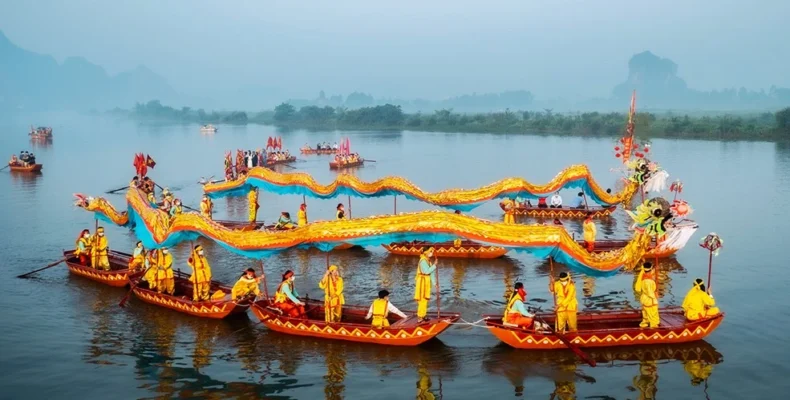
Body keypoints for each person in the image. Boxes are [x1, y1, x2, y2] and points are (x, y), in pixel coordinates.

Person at [414, 247, 437, 322]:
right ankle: (420, 317)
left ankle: (423, 314)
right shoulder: (423, 261)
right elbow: (427, 271)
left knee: (425, 299)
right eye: (430, 251)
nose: (432, 253)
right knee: (422, 299)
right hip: (422, 282)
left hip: (426, 282)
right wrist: (435, 265)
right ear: (426, 252)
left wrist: (434, 283)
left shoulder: (428, 261)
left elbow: (431, 273)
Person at [635, 262, 659, 328]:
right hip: (649, 299)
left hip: (644, 298)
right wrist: (654, 297)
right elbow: (649, 292)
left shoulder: (644, 278)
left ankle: (644, 324)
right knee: (652, 313)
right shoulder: (648, 281)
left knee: (645, 313)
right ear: (651, 270)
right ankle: (654, 327)